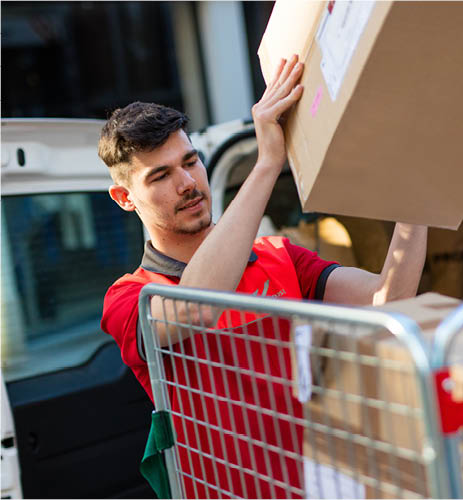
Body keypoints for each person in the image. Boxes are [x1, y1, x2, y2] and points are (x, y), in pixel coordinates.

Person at [98, 55, 427, 499]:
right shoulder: (131, 298)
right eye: (161, 175)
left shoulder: (278, 256)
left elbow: (389, 300)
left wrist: (422, 200)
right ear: (124, 198)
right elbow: (197, 304)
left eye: (191, 162)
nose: (188, 183)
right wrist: (267, 161)